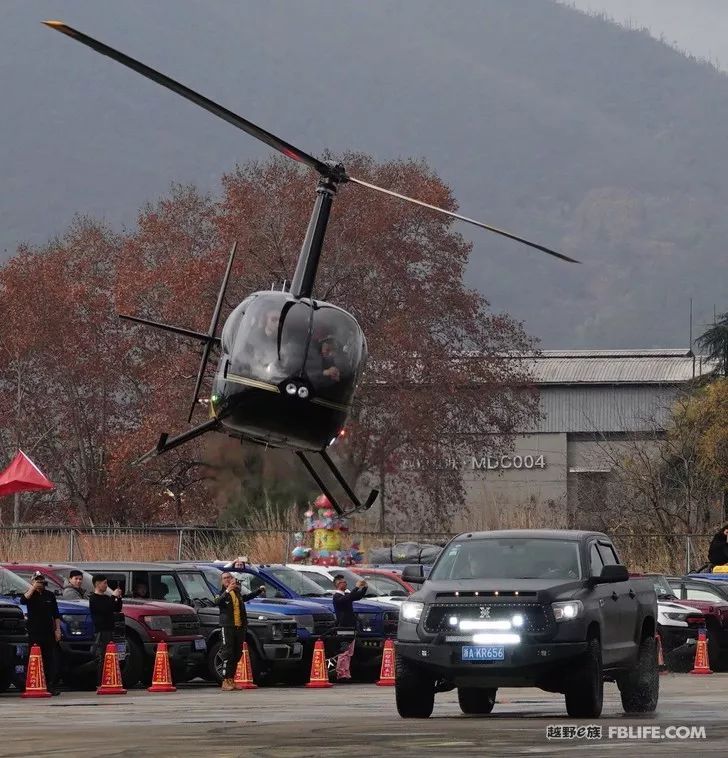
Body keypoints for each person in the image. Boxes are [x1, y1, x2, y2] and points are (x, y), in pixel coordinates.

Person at [214, 571, 265, 691]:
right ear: (222, 581)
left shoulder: (237, 593)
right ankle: (225, 680)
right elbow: (217, 602)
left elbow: (246, 597)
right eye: (225, 578)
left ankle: (231, 679)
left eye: (229, 577)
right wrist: (227, 590)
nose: (227, 580)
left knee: (237, 653)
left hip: (240, 627)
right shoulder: (221, 593)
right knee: (227, 652)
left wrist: (258, 591)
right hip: (227, 627)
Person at [21, 571, 61, 695]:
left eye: (41, 581)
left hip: (48, 631)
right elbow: (23, 600)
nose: (39, 583)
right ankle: (32, 683)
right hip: (34, 632)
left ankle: (50, 685)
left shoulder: (49, 595)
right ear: (32, 581)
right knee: (33, 658)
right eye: (37, 581)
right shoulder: (30, 594)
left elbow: (56, 614)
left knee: (50, 659)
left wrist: (57, 629)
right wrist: (33, 588)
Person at [332, 575, 367, 682]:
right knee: (344, 651)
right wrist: (356, 587)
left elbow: (356, 596)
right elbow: (347, 598)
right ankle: (341, 673)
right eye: (343, 582)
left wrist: (364, 587)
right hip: (343, 626)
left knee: (349, 652)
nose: (345, 583)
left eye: (345, 581)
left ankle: (346, 673)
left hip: (351, 625)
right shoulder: (337, 597)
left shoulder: (347, 594)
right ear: (338, 584)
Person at [89, 574, 123, 685]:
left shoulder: (106, 598)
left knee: (112, 655)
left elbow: (116, 608)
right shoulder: (93, 598)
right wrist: (113, 597)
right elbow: (104, 609)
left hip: (110, 629)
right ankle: (100, 682)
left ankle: (111, 679)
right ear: (97, 584)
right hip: (101, 631)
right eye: (104, 583)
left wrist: (118, 598)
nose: (106, 585)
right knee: (103, 656)